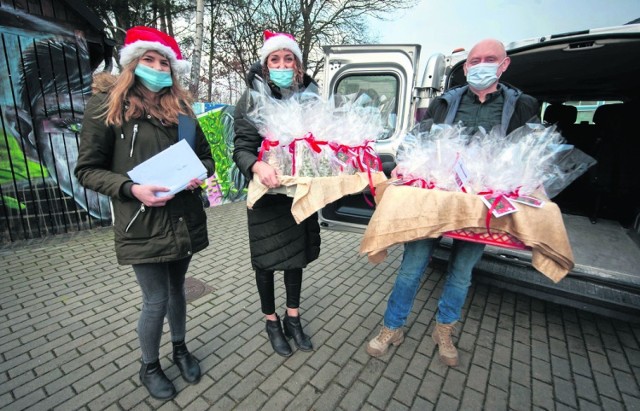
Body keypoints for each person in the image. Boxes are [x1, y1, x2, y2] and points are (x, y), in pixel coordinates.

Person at [366, 39, 540, 366]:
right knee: (410, 269)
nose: (481, 65)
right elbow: (419, 139)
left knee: (461, 274)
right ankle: (392, 327)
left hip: (481, 206)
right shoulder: (445, 103)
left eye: (490, 59)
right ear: (465, 67)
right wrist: (405, 161)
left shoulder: (522, 106)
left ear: (504, 65)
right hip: (437, 200)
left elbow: (530, 151)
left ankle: (443, 330)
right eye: (475, 60)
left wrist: (532, 177)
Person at [74, 26, 215, 400]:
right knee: (156, 299)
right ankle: (149, 365)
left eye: (163, 62)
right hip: (141, 221)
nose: (157, 68)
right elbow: (87, 169)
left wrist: (196, 175)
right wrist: (131, 188)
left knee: (178, 292)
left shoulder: (182, 110)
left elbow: (206, 159)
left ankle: (181, 348)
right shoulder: (107, 108)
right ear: (132, 64)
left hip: (182, 217)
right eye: (148, 60)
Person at [232, 30, 321, 357]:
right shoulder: (251, 98)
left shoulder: (312, 97)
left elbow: (322, 143)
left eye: (288, 58)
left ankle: (293, 318)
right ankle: (271, 320)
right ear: (266, 63)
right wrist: (257, 166)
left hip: (299, 193)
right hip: (267, 195)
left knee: (295, 258)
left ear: (297, 63)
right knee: (267, 261)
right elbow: (240, 148)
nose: (282, 64)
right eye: (275, 59)